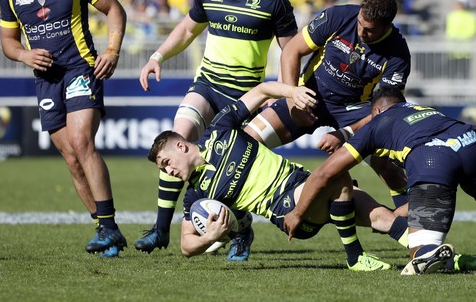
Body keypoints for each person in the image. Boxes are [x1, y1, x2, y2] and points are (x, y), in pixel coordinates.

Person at [135, 0, 298, 258]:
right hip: (208, 85)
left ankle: (240, 229)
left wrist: (285, 90)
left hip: (246, 96)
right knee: (177, 136)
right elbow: (186, 30)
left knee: (235, 169)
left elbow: (290, 49)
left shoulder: (275, 1)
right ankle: (161, 229)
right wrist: (157, 56)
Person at [284, 86, 476, 276]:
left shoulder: (375, 126)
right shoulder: (424, 110)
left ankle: (429, 251)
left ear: (375, 110)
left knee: (418, 257)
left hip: (433, 159)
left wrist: (297, 213)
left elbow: (324, 174)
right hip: (471, 143)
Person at [147, 81, 410, 271]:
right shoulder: (196, 194)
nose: (169, 172)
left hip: (303, 181)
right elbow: (185, 245)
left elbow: (261, 91)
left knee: (384, 217)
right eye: (164, 169)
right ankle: (355, 257)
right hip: (288, 209)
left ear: (181, 146)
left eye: (167, 163)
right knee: (335, 174)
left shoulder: (220, 129)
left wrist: (291, 91)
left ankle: (429, 252)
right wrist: (209, 237)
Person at [0, 0, 128, 258]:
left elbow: (115, 10)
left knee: (82, 142)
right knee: (71, 159)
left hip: (81, 69)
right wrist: (25, 54)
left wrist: (111, 51)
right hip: (46, 81)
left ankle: (109, 226)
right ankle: (104, 229)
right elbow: (9, 43)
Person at [244, 0, 411, 210]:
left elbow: (386, 110)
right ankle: (240, 218)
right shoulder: (339, 16)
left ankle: (415, 232)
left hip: (353, 108)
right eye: (360, 24)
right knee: (246, 141)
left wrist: (345, 133)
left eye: (370, 30)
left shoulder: (398, 54)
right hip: (309, 93)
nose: (361, 32)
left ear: (387, 27)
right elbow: (292, 51)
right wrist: (293, 99)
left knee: (389, 166)